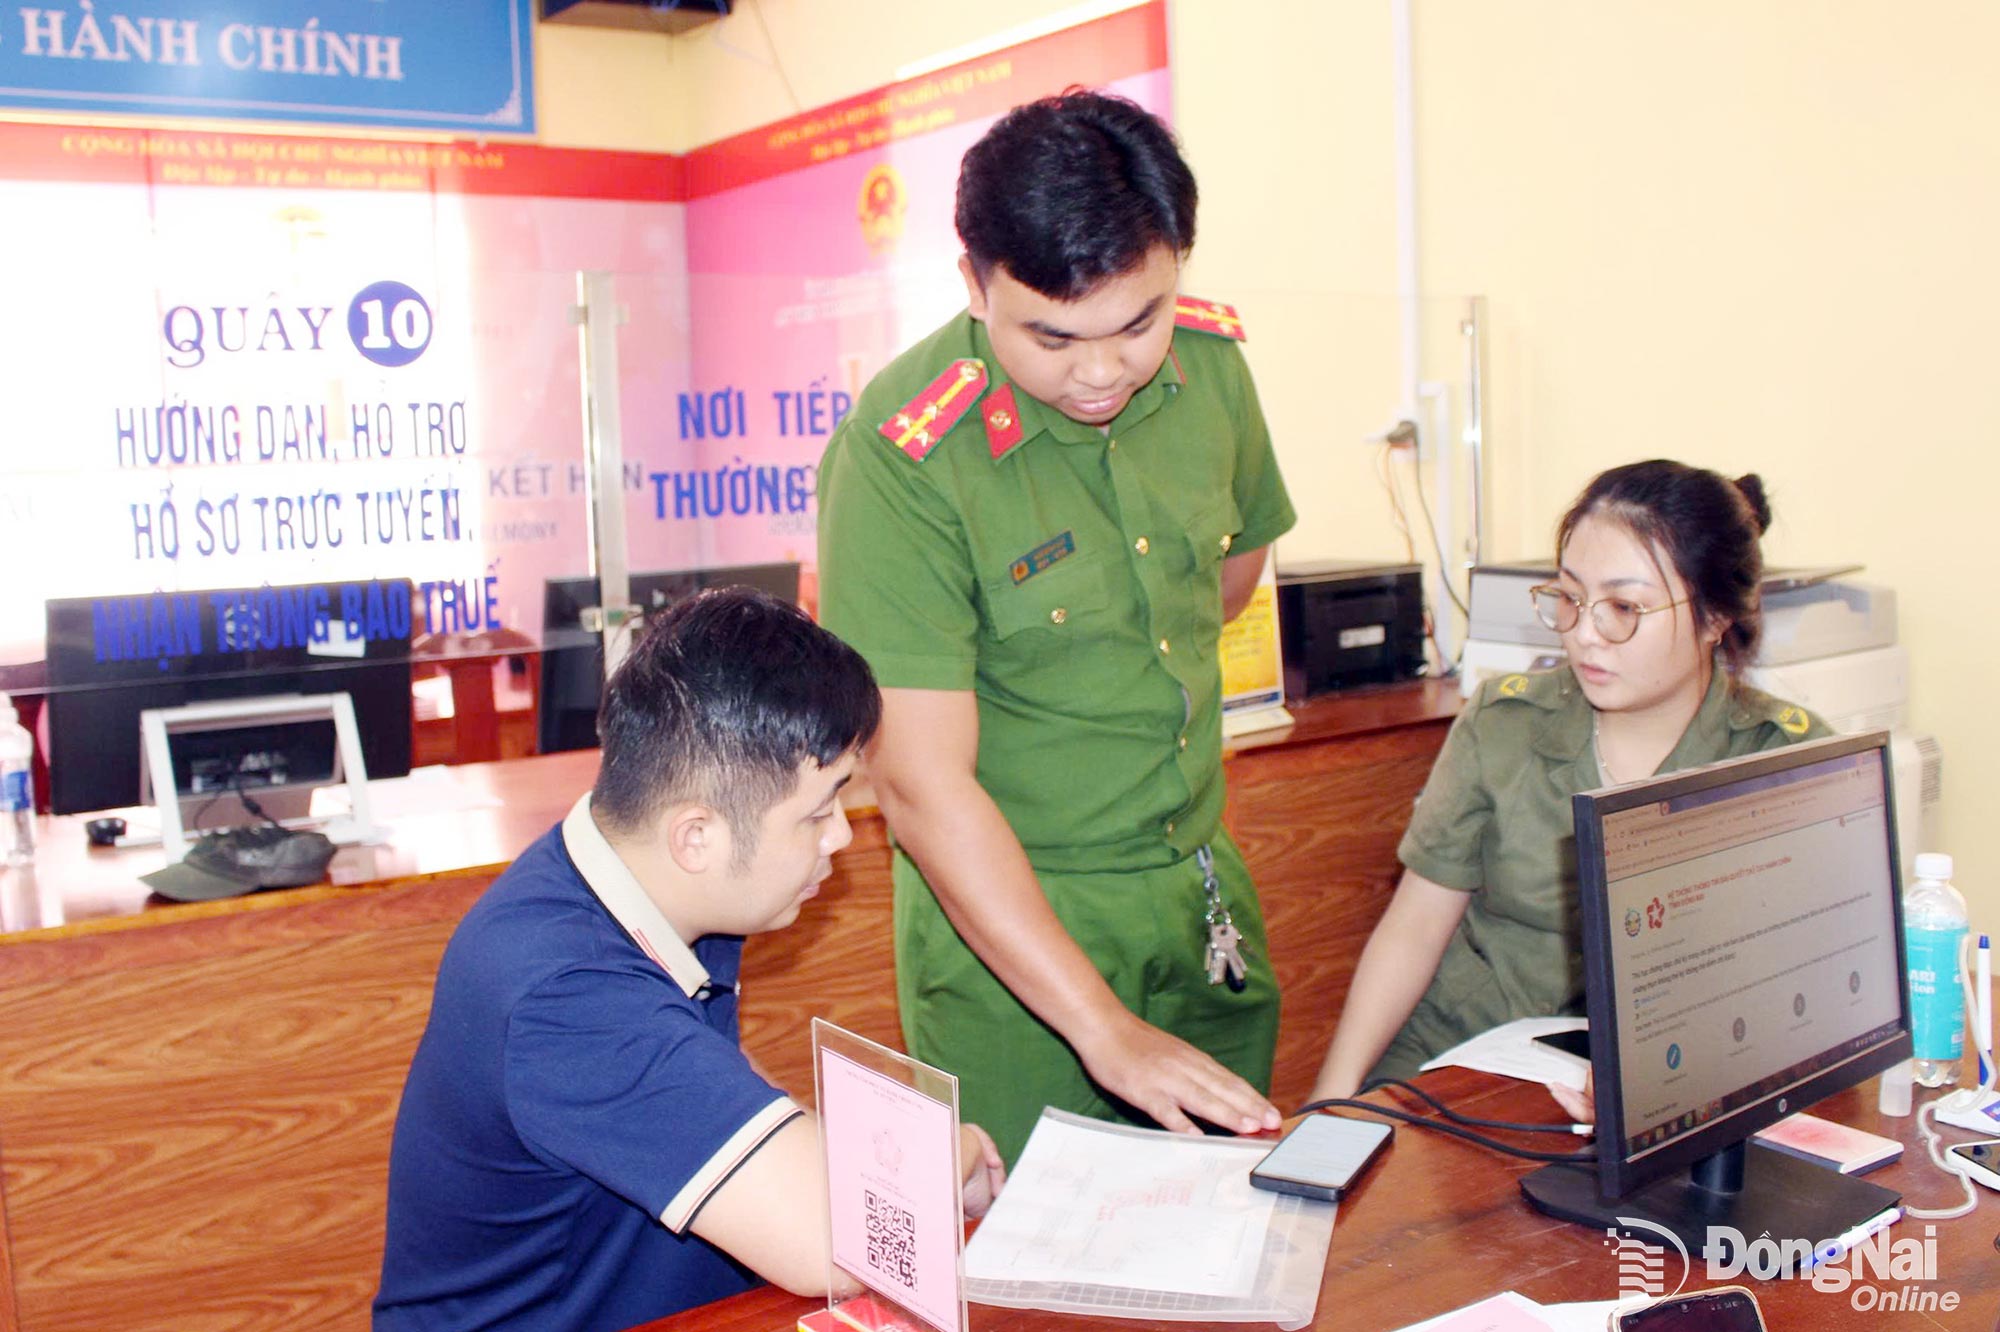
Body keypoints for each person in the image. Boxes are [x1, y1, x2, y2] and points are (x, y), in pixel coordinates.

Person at [816, 90, 1291, 1163]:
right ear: (973, 285)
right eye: (1052, 335)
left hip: (1197, 887)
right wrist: (1103, 1031)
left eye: (1139, 322)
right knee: (1032, 1247)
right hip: (1011, 919)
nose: (1102, 370)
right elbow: (919, 786)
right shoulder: (904, 455)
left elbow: (1228, 579)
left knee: (1224, 1225)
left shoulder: (1212, 368)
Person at [374, 589, 1005, 1332]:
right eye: (817, 812)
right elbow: (835, 1241)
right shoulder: (566, 995)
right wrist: (956, 1149)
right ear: (696, 836)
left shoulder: (642, 885)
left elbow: (723, 1097)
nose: (840, 836)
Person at [1309, 460, 1832, 1112]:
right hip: (1458, 1060)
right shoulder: (1505, 723)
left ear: (1715, 617)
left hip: (1672, 1089)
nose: (1584, 634)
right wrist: (1329, 1099)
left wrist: (1659, 1087)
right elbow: (1414, 925)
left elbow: (1798, 991)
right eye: (1569, 598)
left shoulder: (1782, 760)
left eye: (1624, 608)